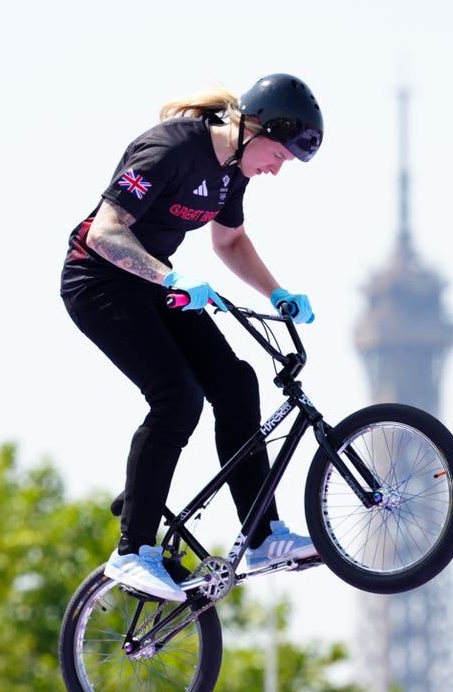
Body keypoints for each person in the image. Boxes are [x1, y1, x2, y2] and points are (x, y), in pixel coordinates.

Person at [60, 73, 324, 602]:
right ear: (257, 128)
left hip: (152, 284)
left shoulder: (232, 171)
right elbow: (104, 233)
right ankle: (133, 551)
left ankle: (261, 536)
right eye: (279, 154)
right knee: (177, 397)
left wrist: (277, 293)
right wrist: (172, 278)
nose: (277, 168)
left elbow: (230, 240)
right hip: (98, 282)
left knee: (235, 382)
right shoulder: (169, 149)